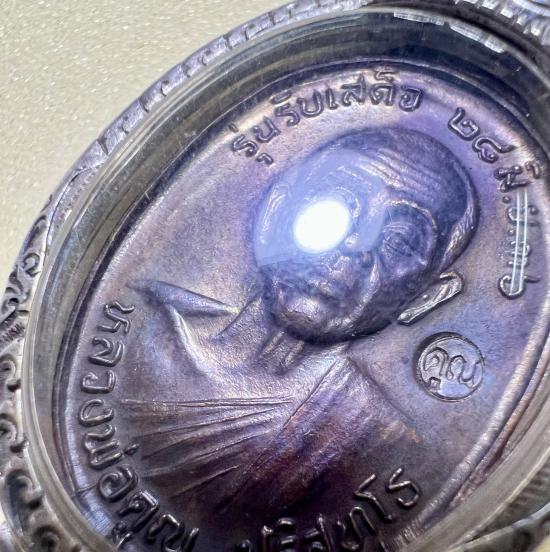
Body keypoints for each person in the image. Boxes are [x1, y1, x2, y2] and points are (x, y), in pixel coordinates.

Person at [125, 127, 478, 524]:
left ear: (425, 296)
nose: (351, 246)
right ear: (273, 213)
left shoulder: (382, 440)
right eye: (333, 207)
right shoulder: (146, 325)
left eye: (398, 243)